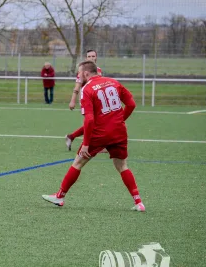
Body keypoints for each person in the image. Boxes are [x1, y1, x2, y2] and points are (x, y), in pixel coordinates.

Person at [42, 61, 144, 212]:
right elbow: (132, 104)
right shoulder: (114, 82)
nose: (78, 76)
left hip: (100, 133)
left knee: (77, 163)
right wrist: (120, 120)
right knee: (122, 166)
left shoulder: (87, 89)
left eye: (79, 73)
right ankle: (139, 202)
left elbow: (89, 120)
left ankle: (60, 196)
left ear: (86, 73)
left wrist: (86, 144)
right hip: (119, 131)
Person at [65, 49, 103, 150]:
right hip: (86, 100)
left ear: (96, 57)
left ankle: (71, 137)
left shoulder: (98, 70)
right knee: (92, 122)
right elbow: (77, 87)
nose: (91, 58)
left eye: (93, 56)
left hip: (97, 99)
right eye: (89, 56)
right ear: (86, 58)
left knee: (96, 122)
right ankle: (91, 145)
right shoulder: (82, 72)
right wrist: (72, 100)